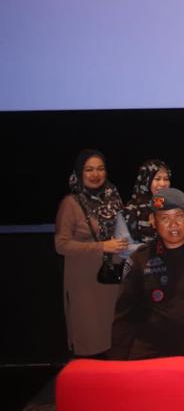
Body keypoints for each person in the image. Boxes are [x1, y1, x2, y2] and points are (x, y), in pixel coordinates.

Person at [110, 189, 184, 369]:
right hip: (153, 350)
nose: (173, 224)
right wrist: (118, 366)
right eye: (164, 218)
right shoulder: (140, 259)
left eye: (179, 216)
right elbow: (125, 317)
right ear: (153, 221)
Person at [55, 149, 129, 357]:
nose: (95, 174)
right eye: (89, 170)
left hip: (113, 278)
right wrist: (101, 247)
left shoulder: (114, 199)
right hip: (85, 283)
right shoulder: (71, 203)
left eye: (100, 169)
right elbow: (61, 244)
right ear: (80, 172)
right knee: (90, 338)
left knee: (114, 339)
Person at [124, 159, 172, 245]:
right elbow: (125, 245)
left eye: (166, 179)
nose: (162, 184)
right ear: (146, 180)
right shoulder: (132, 208)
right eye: (157, 179)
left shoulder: (171, 205)